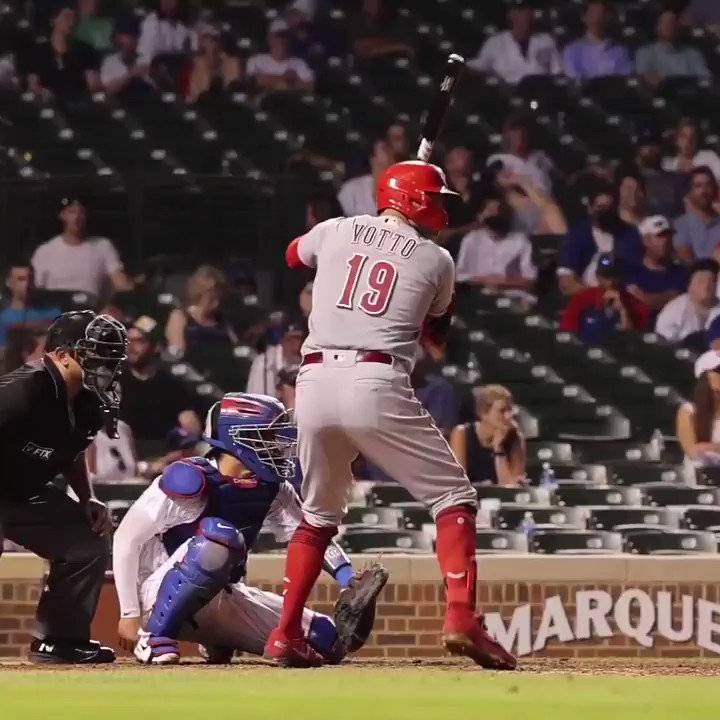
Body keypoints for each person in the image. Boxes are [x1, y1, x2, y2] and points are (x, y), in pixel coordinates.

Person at [267, 160, 518, 670]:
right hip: (373, 378)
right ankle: (461, 618)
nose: (443, 207)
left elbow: (293, 254)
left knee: (317, 517)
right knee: (454, 497)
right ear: (417, 201)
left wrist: (359, 233)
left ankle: (285, 634)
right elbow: (437, 331)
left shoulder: (336, 229)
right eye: (437, 197)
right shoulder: (437, 259)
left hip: (311, 381)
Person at [112, 392, 379, 665]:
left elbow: (309, 534)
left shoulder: (272, 487)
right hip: (156, 596)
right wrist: (129, 613)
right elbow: (125, 538)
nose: (277, 446)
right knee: (218, 537)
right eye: (268, 437)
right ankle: (154, 638)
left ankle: (216, 639)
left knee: (326, 641)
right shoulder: (188, 477)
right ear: (238, 439)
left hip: (225, 594)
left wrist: (348, 578)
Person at [0, 310, 126, 663]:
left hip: (24, 494)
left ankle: (59, 640)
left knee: (87, 537)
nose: (106, 364)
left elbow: (72, 453)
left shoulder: (89, 400)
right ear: (60, 354)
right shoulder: (23, 391)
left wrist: (88, 498)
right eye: (95, 353)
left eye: (111, 356)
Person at [120, 317, 201, 443]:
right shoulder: (116, 382)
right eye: (128, 341)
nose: (131, 347)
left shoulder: (171, 384)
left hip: (165, 452)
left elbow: (190, 425)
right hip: (125, 451)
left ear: (157, 346)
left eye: (139, 341)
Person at [31, 197, 133, 297]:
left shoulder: (103, 246)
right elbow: (35, 291)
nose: (77, 217)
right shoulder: (45, 251)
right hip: (56, 311)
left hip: (92, 310)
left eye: (81, 212)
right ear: (62, 215)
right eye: (72, 212)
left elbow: (120, 282)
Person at [557, 183, 642, 296]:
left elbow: (636, 273)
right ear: (590, 208)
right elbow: (566, 281)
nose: (605, 213)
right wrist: (596, 297)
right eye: (601, 208)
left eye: (610, 208)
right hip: (587, 298)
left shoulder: (629, 234)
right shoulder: (577, 235)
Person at [455, 194, 537, 294]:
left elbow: (529, 278)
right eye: (490, 210)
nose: (495, 214)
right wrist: (485, 280)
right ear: (480, 215)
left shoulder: (520, 241)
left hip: (512, 295)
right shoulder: (471, 239)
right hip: (478, 294)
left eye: (499, 211)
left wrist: (503, 281)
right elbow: (460, 275)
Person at [558, 254, 650, 343]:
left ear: (621, 276)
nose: (611, 282)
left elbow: (635, 342)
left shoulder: (635, 304)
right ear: (598, 276)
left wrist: (623, 311)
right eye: (606, 277)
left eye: (614, 276)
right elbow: (567, 332)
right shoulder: (582, 299)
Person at [468, 0, 561, 84]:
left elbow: (556, 71)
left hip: (540, 92)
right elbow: (478, 68)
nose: (524, 15)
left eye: (526, 11)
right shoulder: (495, 43)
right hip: (507, 95)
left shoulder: (546, 40)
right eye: (519, 11)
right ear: (510, 15)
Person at [449, 385, 525, 486]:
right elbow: (459, 481)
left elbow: (511, 487)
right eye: (502, 411)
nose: (509, 415)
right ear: (484, 413)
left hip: (503, 499)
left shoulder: (515, 437)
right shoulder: (462, 433)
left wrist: (499, 449)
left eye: (510, 409)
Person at [27, 3, 101, 99]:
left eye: (75, 18)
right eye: (67, 17)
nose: (72, 22)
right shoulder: (39, 51)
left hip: (78, 102)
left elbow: (92, 84)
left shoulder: (85, 49)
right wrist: (41, 91)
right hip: (49, 102)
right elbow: (33, 83)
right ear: (53, 20)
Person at [164, 265, 239, 357]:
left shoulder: (222, 321)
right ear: (200, 294)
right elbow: (177, 352)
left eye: (220, 299)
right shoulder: (180, 316)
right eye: (212, 299)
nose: (217, 304)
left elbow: (237, 349)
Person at [625, 216, 689, 314]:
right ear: (645, 240)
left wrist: (648, 297)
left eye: (669, 235)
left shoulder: (682, 272)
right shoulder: (632, 272)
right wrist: (671, 296)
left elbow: (685, 301)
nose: (665, 240)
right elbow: (637, 303)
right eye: (660, 236)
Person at [635, 8, 710, 85]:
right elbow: (644, 76)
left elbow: (705, 79)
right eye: (666, 23)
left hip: (691, 94)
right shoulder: (645, 52)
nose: (670, 27)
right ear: (657, 28)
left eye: (673, 23)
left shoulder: (693, 54)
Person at [561, 0, 632, 81]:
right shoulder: (571, 51)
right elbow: (572, 79)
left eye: (601, 14)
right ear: (584, 17)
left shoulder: (620, 51)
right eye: (593, 14)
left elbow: (623, 80)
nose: (597, 18)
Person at [655, 259, 720, 342]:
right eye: (701, 281)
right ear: (689, 285)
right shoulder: (675, 308)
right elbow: (662, 337)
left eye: (711, 281)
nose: (706, 286)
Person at [486, 115, 554, 195]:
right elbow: (496, 184)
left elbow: (556, 178)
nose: (519, 141)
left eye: (522, 137)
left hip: (549, 203)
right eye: (515, 137)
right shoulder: (499, 160)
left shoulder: (539, 156)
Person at [0, 263, 60, 347]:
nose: (27, 284)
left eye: (30, 279)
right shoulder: (3, 319)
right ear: (8, 282)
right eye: (21, 279)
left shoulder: (53, 314)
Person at [246, 18, 314, 93]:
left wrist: (271, 80)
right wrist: (289, 79)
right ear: (269, 38)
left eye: (286, 36)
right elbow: (255, 82)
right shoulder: (256, 60)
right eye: (279, 35)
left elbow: (309, 87)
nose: (282, 40)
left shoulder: (299, 63)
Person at [246, 316, 307, 398]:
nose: (296, 346)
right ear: (281, 340)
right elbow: (258, 403)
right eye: (290, 340)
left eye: (299, 339)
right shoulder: (265, 363)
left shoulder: (314, 359)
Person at [676, 351, 720, 465]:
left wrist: (709, 447)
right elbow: (692, 450)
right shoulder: (688, 411)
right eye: (718, 371)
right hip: (703, 474)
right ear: (704, 376)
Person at [337, 138, 394, 217]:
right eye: (385, 149)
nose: (391, 153)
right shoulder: (350, 190)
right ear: (372, 159)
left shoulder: (403, 191)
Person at [674, 167, 720, 262]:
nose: (704, 191)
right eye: (698, 186)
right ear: (689, 192)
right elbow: (684, 258)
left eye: (708, 185)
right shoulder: (680, 225)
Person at [100, 16, 154, 98]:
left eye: (133, 37)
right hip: (121, 105)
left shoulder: (145, 60)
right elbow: (109, 90)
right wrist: (131, 74)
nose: (128, 42)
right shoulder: (110, 61)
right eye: (123, 38)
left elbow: (156, 88)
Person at [186, 25, 242, 101]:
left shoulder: (232, 62)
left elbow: (233, 87)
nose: (212, 44)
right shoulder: (196, 63)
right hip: (202, 103)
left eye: (214, 40)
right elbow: (195, 92)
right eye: (207, 40)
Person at [137, 0, 196, 69]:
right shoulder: (151, 22)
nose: (166, 2)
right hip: (153, 70)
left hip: (177, 70)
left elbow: (187, 53)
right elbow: (145, 57)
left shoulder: (182, 27)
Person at [351, 0, 415, 60]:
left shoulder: (401, 18)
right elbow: (360, 48)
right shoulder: (355, 20)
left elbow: (410, 49)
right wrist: (397, 46)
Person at [663, 119, 720, 184]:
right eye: (684, 136)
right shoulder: (668, 165)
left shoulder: (709, 157)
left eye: (692, 137)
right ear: (677, 140)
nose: (688, 141)